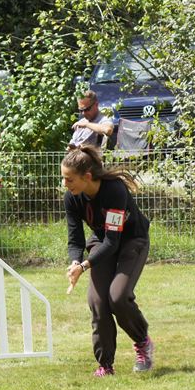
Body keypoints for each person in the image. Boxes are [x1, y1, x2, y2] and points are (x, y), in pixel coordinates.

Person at [62, 144, 154, 377]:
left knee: (118, 297)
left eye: (69, 179)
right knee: (97, 301)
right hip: (102, 241)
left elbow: (113, 241)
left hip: (132, 241)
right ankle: (106, 365)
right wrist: (75, 261)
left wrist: (84, 266)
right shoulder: (71, 198)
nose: (65, 184)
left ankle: (142, 342)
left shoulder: (114, 190)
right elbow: (75, 239)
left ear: (88, 177)